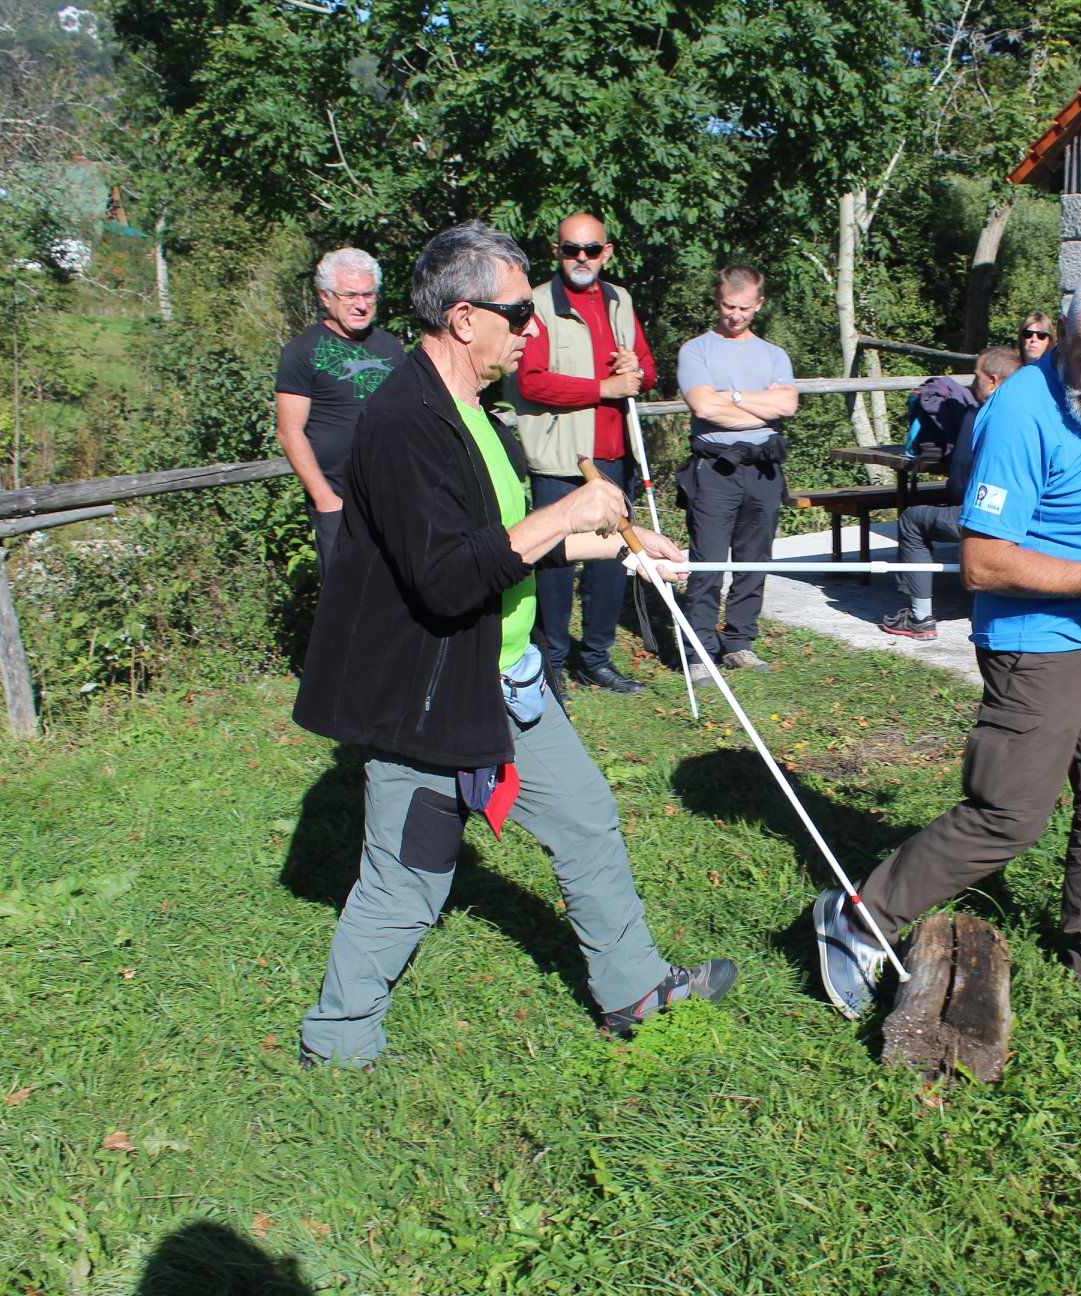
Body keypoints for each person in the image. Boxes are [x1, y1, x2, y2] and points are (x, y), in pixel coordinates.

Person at [292, 222, 734, 1067]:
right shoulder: (399, 423)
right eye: (519, 312)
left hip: (509, 683)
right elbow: (450, 579)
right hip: (429, 696)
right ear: (464, 318)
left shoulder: (472, 413)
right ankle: (337, 1042)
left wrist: (626, 543)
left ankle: (632, 990)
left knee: (587, 820)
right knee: (408, 881)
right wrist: (568, 511)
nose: (532, 330)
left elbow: (508, 539)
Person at [811, 275, 1081, 1022]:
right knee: (1010, 815)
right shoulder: (1021, 414)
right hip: (1039, 643)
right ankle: (860, 918)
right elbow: (983, 563)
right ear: (1059, 337)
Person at [506, 213, 659, 696]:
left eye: (591, 250)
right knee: (554, 565)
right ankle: (550, 662)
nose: (581, 259)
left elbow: (648, 371)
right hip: (561, 457)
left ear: (606, 252)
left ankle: (596, 657)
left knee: (612, 561)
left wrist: (636, 370)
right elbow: (530, 380)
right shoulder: (537, 303)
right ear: (556, 251)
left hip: (615, 454)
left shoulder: (619, 300)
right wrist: (604, 386)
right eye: (571, 249)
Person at [675, 266, 799, 683]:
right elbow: (705, 409)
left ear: (759, 305)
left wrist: (735, 398)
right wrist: (758, 406)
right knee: (707, 562)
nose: (735, 315)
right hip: (715, 469)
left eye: (744, 308)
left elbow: (787, 406)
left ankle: (740, 642)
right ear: (717, 300)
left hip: (763, 468)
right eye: (729, 306)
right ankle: (699, 650)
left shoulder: (773, 354)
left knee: (754, 561)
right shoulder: (697, 351)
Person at [275, 247, 407, 573]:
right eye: (349, 295)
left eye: (368, 295)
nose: (361, 305)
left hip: (393, 499)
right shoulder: (301, 352)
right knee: (346, 606)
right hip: (338, 501)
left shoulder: (390, 347)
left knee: (402, 598)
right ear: (324, 297)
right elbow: (289, 432)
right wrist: (326, 501)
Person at [878, 346, 1023, 639]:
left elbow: (959, 480)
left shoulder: (980, 416)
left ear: (993, 381)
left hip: (988, 518)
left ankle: (920, 617)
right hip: (1027, 518)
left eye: (977, 376)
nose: (972, 384)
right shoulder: (1031, 418)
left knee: (911, 519)